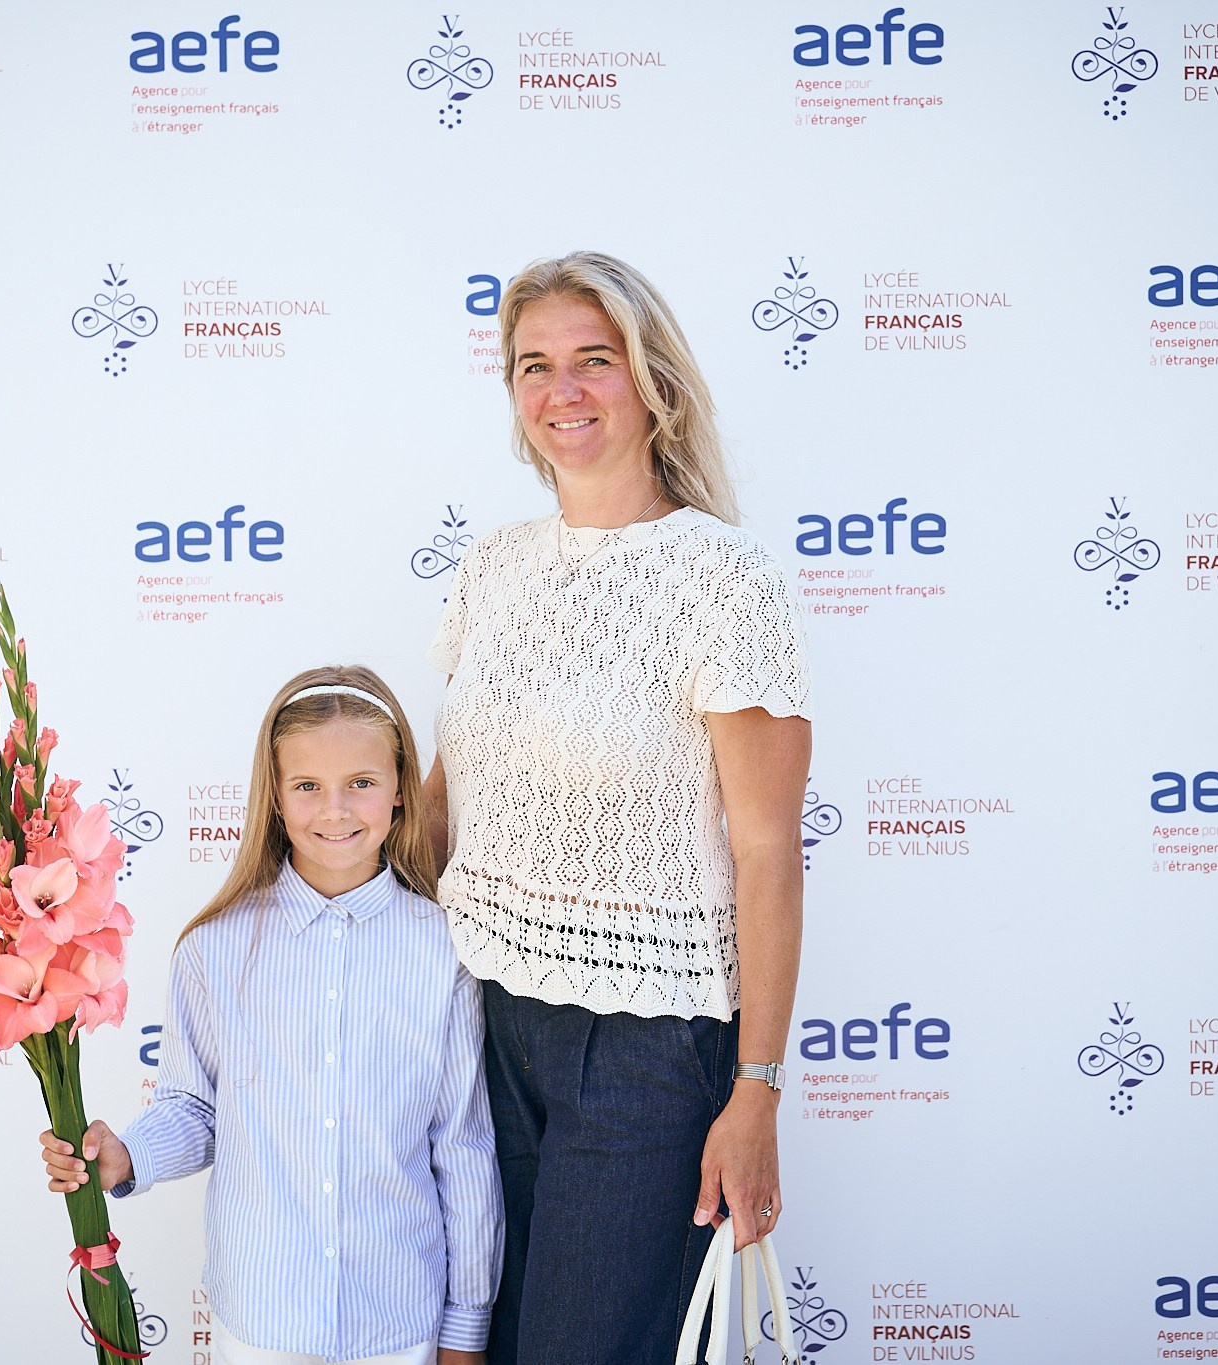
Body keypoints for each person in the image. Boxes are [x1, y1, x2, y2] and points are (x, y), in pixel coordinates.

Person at [423, 251, 813, 1365]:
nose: (562, 390)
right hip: (483, 1024)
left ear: (653, 382)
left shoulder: (725, 582)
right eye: (532, 365)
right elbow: (450, 805)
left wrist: (755, 1094)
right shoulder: (489, 569)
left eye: (594, 360)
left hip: (647, 1052)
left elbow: (767, 855)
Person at [39, 665, 502, 1365]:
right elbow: (194, 1108)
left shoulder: (444, 952)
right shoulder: (215, 949)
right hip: (261, 1321)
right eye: (308, 785)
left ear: (401, 789)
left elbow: (462, 1150)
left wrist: (465, 1330)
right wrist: (128, 1153)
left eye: (362, 783)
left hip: (398, 1322)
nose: (336, 809)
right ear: (277, 799)